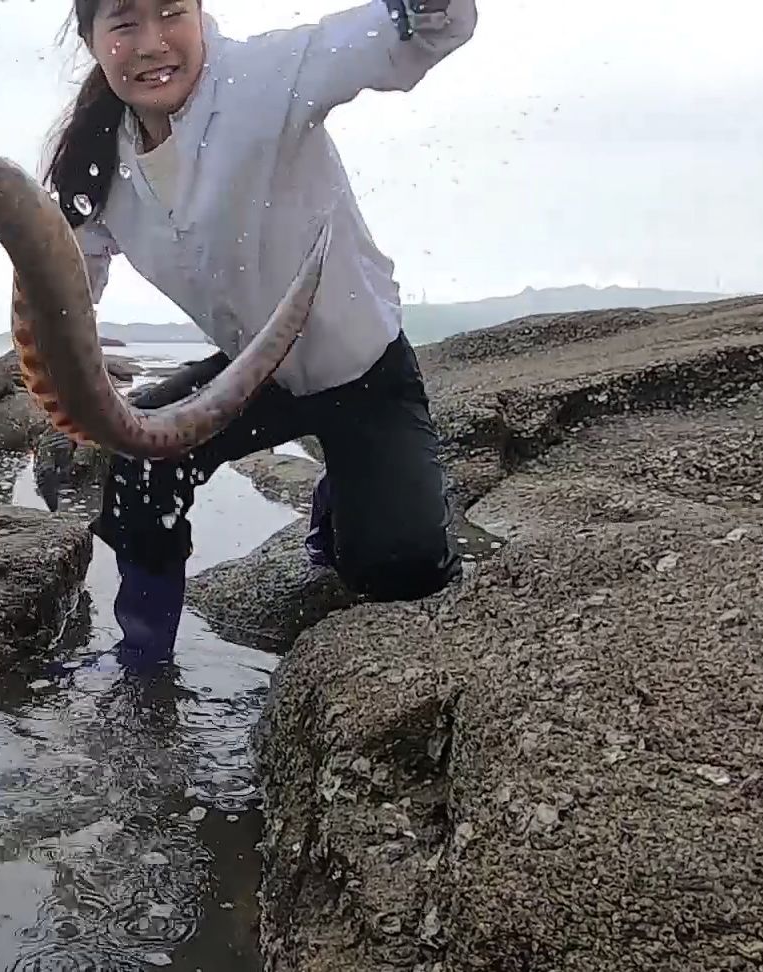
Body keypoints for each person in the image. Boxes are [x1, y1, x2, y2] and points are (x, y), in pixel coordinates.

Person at [40, 0, 478, 664]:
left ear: (198, 12)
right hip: (254, 373)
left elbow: (414, 33)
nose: (153, 43)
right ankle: (143, 658)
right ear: (91, 39)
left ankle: (348, 487)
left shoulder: (263, 75)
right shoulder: (91, 155)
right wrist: (66, 350)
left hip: (361, 368)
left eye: (170, 14)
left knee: (400, 568)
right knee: (140, 465)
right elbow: (72, 274)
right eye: (124, 24)